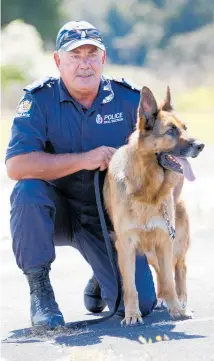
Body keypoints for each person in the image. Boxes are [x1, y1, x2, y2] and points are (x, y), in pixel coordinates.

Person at [5, 20, 158, 329]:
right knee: (27, 191)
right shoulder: (38, 100)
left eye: (92, 55)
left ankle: (102, 273)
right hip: (56, 213)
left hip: (108, 218)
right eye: (75, 56)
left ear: (103, 59)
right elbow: (16, 165)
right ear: (58, 61)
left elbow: (164, 155)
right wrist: (84, 160)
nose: (84, 64)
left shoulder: (128, 99)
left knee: (141, 303)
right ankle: (41, 292)